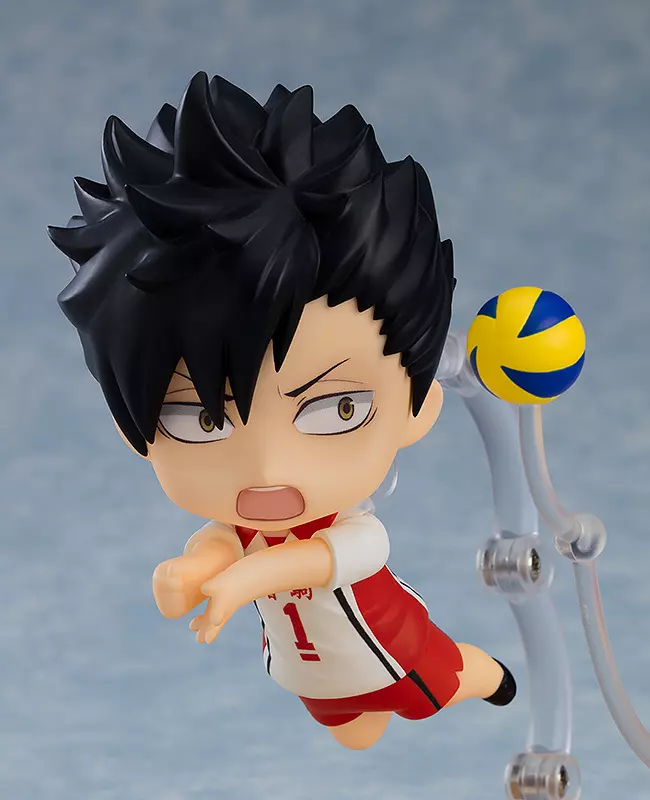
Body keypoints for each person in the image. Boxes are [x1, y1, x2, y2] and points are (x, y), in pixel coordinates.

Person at [49, 71, 516, 750]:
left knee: (439, 690)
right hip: (311, 671)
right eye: (204, 420)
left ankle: (488, 674)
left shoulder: (356, 535)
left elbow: (308, 564)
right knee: (356, 735)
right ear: (133, 429)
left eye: (338, 408)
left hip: (393, 650)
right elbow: (222, 541)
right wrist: (193, 570)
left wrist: (243, 580)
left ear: (418, 408)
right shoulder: (246, 524)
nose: (268, 470)